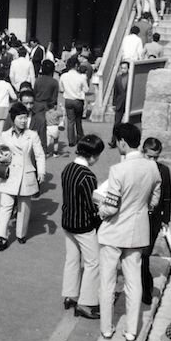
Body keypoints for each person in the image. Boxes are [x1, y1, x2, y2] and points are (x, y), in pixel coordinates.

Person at [96, 123, 162, 341]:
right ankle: (132, 330)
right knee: (134, 283)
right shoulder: (153, 168)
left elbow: (112, 206)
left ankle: (107, 327)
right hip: (137, 232)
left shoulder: (118, 170)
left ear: (122, 141)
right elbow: (153, 201)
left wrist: (101, 209)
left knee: (107, 281)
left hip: (114, 231)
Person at [60, 134, 105, 320]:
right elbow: (91, 205)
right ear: (92, 156)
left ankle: (70, 295)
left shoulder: (67, 168)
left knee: (72, 259)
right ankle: (86, 303)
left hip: (68, 221)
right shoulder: (88, 176)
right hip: (83, 225)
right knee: (93, 262)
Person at [0, 102, 45, 251]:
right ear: (13, 118)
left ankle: (21, 234)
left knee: (24, 207)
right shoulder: (4, 135)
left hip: (26, 174)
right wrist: (0, 158)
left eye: (25, 118)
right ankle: (2, 237)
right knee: (5, 206)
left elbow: (40, 155)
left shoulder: (32, 135)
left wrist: (41, 172)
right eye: (20, 118)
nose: (23, 121)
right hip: (9, 175)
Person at [140, 137, 171, 306]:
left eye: (156, 157)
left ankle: (146, 289)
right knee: (141, 256)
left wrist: (166, 219)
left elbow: (167, 197)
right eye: (149, 156)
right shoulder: (137, 169)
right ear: (143, 152)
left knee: (145, 254)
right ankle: (145, 287)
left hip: (154, 220)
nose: (153, 160)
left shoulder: (163, 171)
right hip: (138, 218)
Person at [59, 62, 89, 149]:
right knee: (78, 120)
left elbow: (61, 89)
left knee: (70, 121)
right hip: (78, 100)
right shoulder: (80, 77)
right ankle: (80, 137)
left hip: (68, 99)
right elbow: (86, 90)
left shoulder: (64, 76)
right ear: (76, 66)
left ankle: (71, 141)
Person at [110, 60, 130, 147]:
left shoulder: (131, 78)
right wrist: (113, 103)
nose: (123, 69)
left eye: (125, 68)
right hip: (119, 103)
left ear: (128, 69)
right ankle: (113, 141)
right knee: (116, 123)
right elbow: (115, 92)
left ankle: (128, 141)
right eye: (122, 68)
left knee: (129, 123)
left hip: (129, 102)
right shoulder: (118, 78)